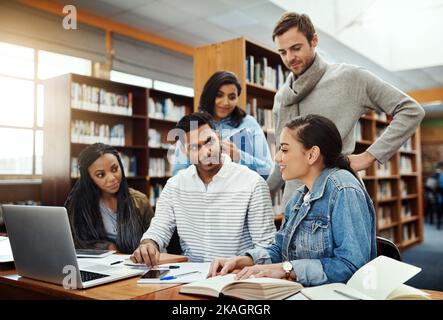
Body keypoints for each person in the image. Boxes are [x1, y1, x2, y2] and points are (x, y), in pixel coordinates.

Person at [267, 12, 425, 207]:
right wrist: (258, 196)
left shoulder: (350, 78)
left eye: (296, 48)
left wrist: (368, 157)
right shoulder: (281, 97)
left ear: (314, 40)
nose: (290, 58)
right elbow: (281, 161)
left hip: (337, 200)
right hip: (295, 206)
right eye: (283, 52)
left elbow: (411, 110)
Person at [209, 114, 376, 287]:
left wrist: (286, 269)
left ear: (312, 154)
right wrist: (243, 260)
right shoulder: (298, 198)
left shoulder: (344, 189)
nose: (277, 157)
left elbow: (353, 265)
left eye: (285, 149)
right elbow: (281, 249)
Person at [130, 112, 276, 266]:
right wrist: (149, 244)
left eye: (209, 141)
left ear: (219, 138)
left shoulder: (253, 183)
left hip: (237, 277)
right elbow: (159, 229)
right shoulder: (174, 186)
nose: (206, 152)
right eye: (194, 147)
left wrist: (240, 263)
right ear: (185, 151)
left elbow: (266, 249)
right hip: (189, 277)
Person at [172, 71, 273, 178]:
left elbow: (268, 170)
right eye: (219, 95)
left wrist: (239, 156)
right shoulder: (193, 125)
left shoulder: (249, 123)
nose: (226, 102)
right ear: (209, 96)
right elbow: (177, 175)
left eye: (232, 97)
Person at [65, 143, 154, 254]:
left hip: (133, 266)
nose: (112, 178)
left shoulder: (140, 201)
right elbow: (74, 241)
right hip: (94, 266)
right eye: (101, 175)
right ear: (89, 178)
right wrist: (108, 248)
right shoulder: (78, 203)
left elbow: (154, 240)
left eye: (114, 169)